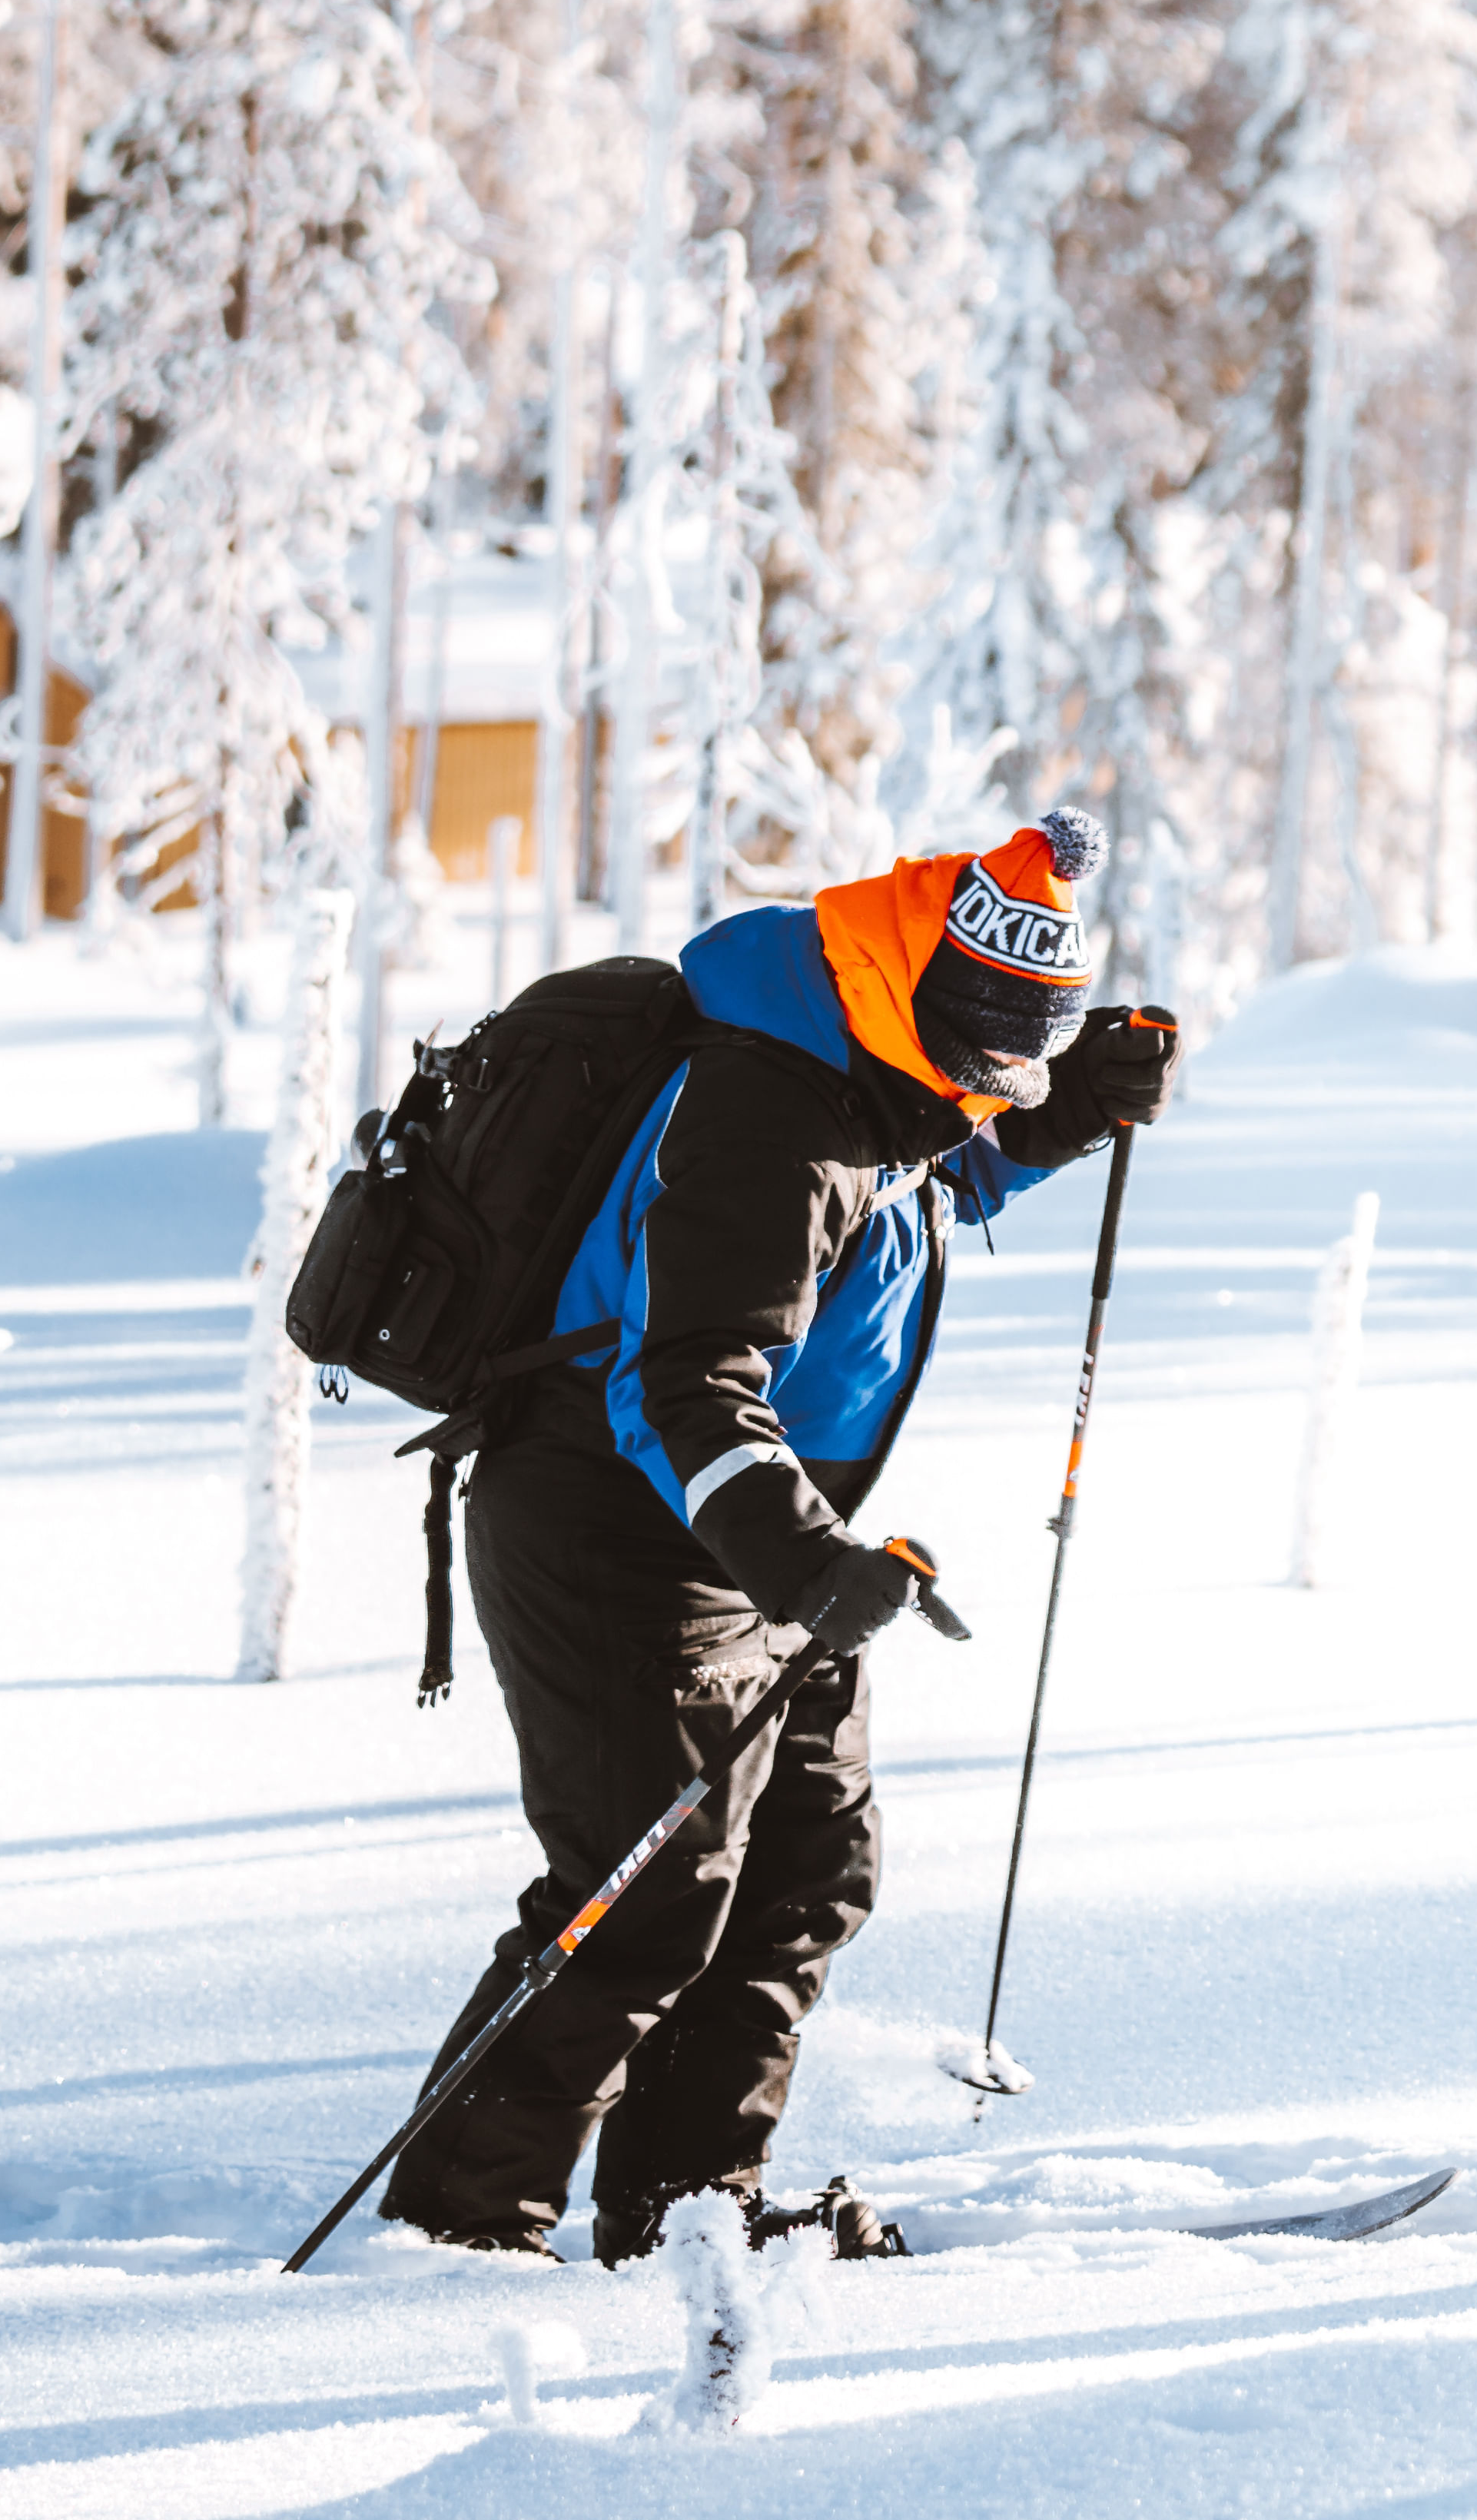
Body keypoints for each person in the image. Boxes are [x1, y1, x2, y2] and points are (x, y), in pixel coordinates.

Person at [379, 810, 1180, 2263]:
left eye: (1028, 1062)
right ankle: (452, 2229)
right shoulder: (772, 1106)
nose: (1000, 1088)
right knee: (638, 1894)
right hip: (614, 1517)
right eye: (994, 1061)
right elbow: (682, 1381)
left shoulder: (880, 1058)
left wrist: (1065, 1113)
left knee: (808, 1865)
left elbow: (932, 1181)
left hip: (753, 1530)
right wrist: (808, 1562)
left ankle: (687, 2215)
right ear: (923, 996)